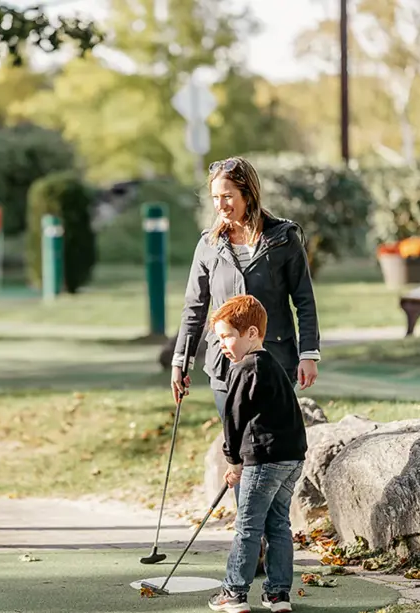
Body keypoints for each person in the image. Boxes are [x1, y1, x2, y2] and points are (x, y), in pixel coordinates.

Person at [170, 155, 320, 579]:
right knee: (242, 448)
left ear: (247, 194)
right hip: (224, 366)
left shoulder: (283, 238)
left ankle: (271, 544)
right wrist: (181, 361)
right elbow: (194, 308)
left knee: (269, 451)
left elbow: (304, 301)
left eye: (228, 196)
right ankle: (251, 546)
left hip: (275, 365)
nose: (221, 205)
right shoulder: (208, 244)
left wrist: (309, 353)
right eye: (216, 197)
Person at [205, 295, 307, 613]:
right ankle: (278, 595)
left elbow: (233, 421)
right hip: (292, 457)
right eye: (220, 338)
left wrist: (233, 462)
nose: (224, 344)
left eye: (228, 336)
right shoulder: (273, 365)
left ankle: (233, 593)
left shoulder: (244, 368)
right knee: (278, 525)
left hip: (264, 461)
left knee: (248, 526)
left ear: (251, 334)